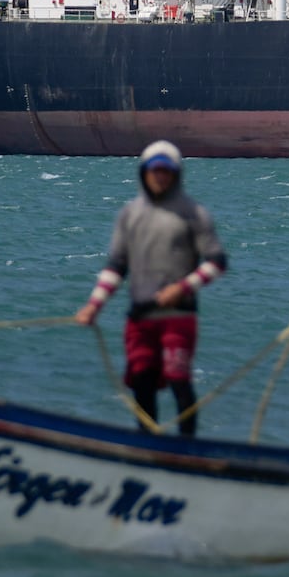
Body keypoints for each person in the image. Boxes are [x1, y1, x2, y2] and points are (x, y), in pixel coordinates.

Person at [75, 140, 227, 436]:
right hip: (140, 318)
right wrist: (94, 304)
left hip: (178, 316)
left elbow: (216, 261)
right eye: (154, 171)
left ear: (176, 174)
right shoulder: (130, 214)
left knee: (178, 380)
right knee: (141, 383)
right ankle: (148, 447)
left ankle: (187, 451)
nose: (160, 176)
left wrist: (183, 287)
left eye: (166, 171)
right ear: (144, 173)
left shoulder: (193, 213)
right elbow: (116, 266)